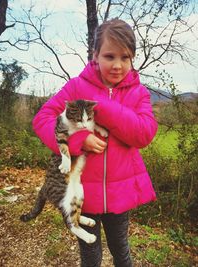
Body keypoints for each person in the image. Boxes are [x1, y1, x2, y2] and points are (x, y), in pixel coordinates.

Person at [33, 18, 158, 267]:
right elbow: (43, 119)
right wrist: (78, 138)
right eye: (109, 56)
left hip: (120, 195)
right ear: (95, 55)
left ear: (132, 58)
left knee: (121, 250)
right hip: (83, 193)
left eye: (125, 57)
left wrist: (104, 108)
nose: (117, 65)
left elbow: (144, 133)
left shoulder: (139, 93)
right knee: (90, 254)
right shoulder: (77, 87)